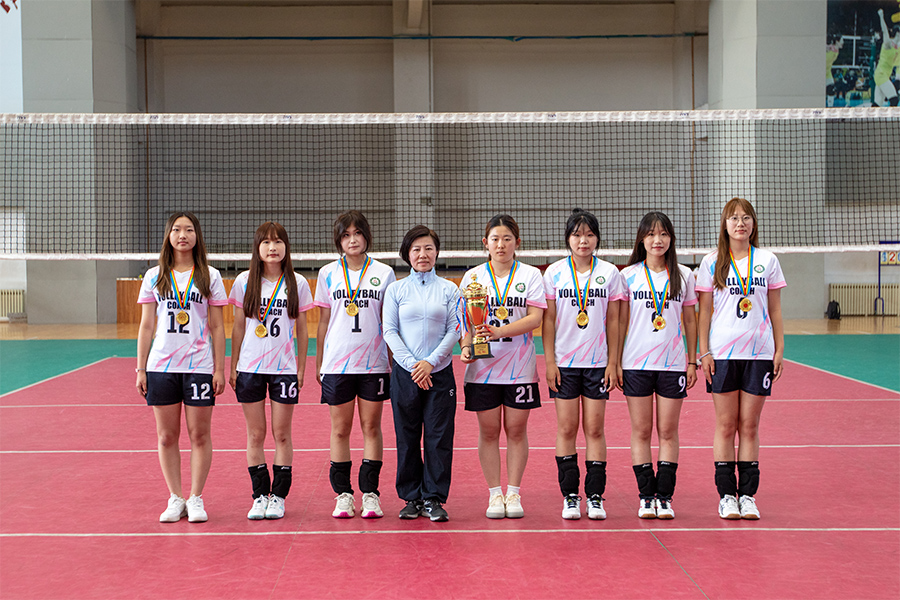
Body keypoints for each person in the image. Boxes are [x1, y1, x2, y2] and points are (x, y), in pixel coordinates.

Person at [696, 198, 786, 520]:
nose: (740, 223)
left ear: (753, 224)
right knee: (726, 424)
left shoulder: (767, 260)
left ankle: (747, 495)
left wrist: (779, 348)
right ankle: (726, 496)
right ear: (725, 224)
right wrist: (704, 351)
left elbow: (775, 308)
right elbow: (704, 311)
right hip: (722, 354)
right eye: (734, 218)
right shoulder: (711, 262)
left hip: (759, 353)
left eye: (746, 217)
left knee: (749, 425)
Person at [136, 212, 227, 523]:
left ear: (197, 236)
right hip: (161, 365)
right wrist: (140, 368)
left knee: (199, 434)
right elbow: (146, 326)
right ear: (169, 236)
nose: (182, 235)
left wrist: (219, 369)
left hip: (199, 365)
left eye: (189, 229)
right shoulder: (154, 275)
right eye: (176, 229)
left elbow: (218, 326)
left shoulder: (210, 276)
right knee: (166, 436)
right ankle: (175, 497)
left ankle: (196, 497)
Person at [459, 214, 546, 519]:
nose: (501, 245)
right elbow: (466, 323)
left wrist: (500, 332)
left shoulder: (531, 275)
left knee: (516, 430)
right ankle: (495, 494)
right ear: (486, 243)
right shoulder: (472, 277)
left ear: (516, 243)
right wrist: (466, 347)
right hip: (482, 370)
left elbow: (535, 318)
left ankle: (514, 492)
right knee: (489, 431)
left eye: (507, 239)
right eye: (495, 239)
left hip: (520, 368)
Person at [542, 209, 626, 520]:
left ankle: (595, 496)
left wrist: (613, 362)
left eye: (589, 235)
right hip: (564, 363)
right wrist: (550, 361)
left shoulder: (610, 273)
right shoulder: (554, 273)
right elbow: (548, 320)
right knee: (566, 428)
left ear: (597, 239)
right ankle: (570, 495)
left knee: (594, 429)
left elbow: (614, 320)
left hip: (597, 364)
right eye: (577, 235)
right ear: (568, 239)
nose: (583, 241)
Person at [229, 222, 313, 520]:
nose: (272, 247)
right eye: (265, 242)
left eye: (278, 242)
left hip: (283, 369)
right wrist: (233, 365)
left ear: (286, 247)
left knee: (282, 434)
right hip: (250, 368)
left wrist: (301, 368)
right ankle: (259, 496)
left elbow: (302, 330)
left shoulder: (297, 283)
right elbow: (238, 327)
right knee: (255, 434)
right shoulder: (244, 281)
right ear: (257, 248)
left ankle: (278, 496)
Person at [315, 210, 396, 519]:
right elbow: (324, 321)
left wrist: (392, 360)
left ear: (366, 236)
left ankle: (371, 494)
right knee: (340, 429)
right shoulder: (327, 273)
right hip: (338, 364)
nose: (352, 240)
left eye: (358, 233)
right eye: (346, 235)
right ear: (339, 240)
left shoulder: (384, 273)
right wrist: (320, 361)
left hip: (374, 363)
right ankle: (344, 495)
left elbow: (389, 321)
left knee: (371, 427)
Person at [618, 212, 697, 520]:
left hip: (672, 364)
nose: (657, 240)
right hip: (636, 363)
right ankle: (645, 496)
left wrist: (692, 360)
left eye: (663, 234)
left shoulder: (684, 275)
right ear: (642, 239)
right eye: (651, 234)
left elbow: (690, 320)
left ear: (671, 239)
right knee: (641, 431)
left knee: (667, 431)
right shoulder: (628, 275)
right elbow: (619, 322)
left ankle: (664, 496)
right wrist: (616, 362)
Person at [383, 225, 460, 522]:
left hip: (439, 373)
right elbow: (389, 330)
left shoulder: (450, 289)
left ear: (437, 252)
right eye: (416, 249)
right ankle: (411, 497)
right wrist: (414, 366)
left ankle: (433, 498)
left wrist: (430, 362)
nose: (423, 254)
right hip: (406, 374)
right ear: (407, 254)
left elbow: (454, 329)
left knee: (439, 437)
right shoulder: (396, 290)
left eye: (428, 248)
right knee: (407, 436)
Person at [874, 9, 900, 107]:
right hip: (881, 75)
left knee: (877, 104)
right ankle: (891, 117)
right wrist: (881, 16)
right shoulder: (888, 44)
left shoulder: (897, 47)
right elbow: (885, 31)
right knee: (894, 99)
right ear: (898, 34)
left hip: (883, 75)